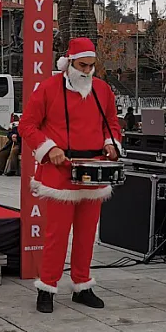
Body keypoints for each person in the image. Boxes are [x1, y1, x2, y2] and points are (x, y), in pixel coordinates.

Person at [21, 37, 122, 313]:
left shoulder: (103, 90)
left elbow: (111, 123)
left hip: (94, 168)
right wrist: (48, 148)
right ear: (69, 63)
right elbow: (27, 125)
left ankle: (82, 285)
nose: (87, 71)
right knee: (56, 234)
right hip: (59, 171)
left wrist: (111, 143)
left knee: (87, 233)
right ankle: (47, 287)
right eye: (82, 65)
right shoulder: (48, 88)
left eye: (91, 66)